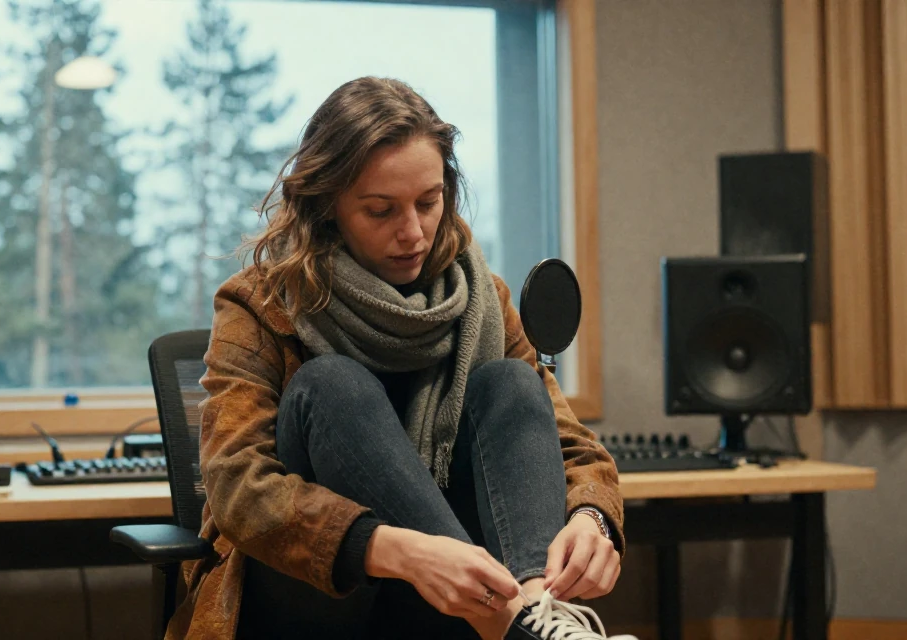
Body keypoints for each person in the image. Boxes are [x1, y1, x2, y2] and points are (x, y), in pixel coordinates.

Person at [169, 77, 632, 640]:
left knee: (512, 382)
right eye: (381, 210)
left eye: (428, 203)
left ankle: (532, 611)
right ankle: (513, 622)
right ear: (328, 205)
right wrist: (397, 549)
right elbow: (236, 486)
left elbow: (572, 446)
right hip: (319, 591)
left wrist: (592, 517)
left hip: (453, 598)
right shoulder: (260, 303)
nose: (412, 232)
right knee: (332, 385)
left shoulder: (485, 298)